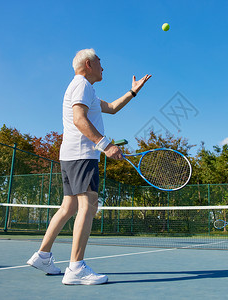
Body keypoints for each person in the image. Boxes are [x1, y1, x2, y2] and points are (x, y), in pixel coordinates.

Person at [27, 48, 151, 285]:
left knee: (69, 206)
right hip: (82, 155)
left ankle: (43, 255)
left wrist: (133, 92)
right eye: (100, 63)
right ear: (88, 64)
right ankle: (76, 268)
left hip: (70, 155)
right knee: (89, 204)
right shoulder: (81, 85)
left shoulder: (85, 89)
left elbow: (112, 107)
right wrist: (105, 145)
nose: (103, 68)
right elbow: (79, 119)